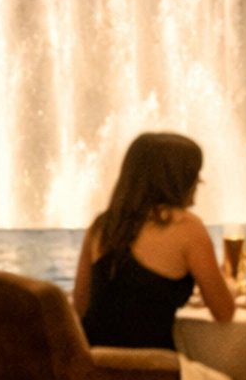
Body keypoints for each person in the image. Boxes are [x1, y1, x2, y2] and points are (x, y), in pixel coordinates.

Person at [73, 132, 234, 348]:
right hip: (154, 373)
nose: (200, 181)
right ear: (178, 178)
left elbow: (80, 306)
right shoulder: (186, 226)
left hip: (94, 370)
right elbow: (224, 312)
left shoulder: (101, 226)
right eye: (194, 172)